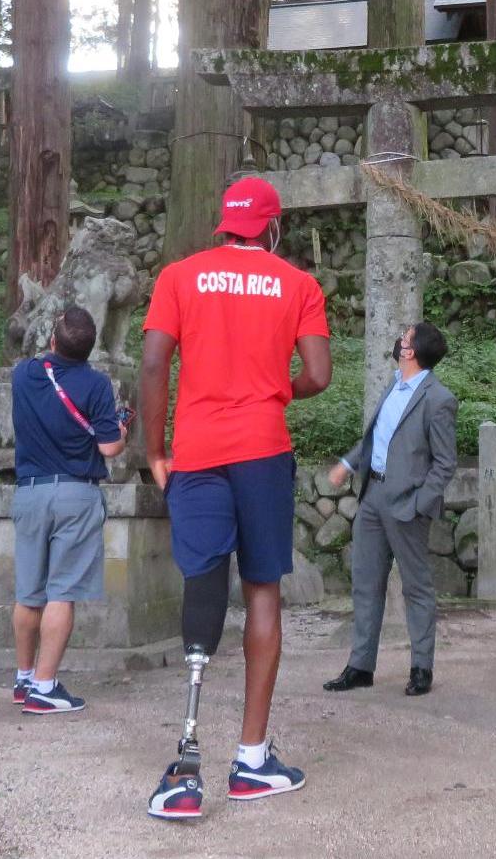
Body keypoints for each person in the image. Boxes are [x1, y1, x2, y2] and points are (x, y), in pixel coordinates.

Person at [138, 175, 332, 821]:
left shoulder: (180, 275)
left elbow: (153, 363)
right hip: (263, 450)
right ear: (272, 226)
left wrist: (155, 450)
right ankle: (251, 757)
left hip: (195, 452)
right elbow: (320, 373)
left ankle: (187, 752)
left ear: (223, 223)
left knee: (202, 580)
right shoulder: (298, 284)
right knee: (262, 592)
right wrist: (283, 389)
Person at [323, 322, 458, 698]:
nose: (399, 337)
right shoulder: (392, 386)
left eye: (406, 335)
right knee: (365, 585)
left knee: (416, 588)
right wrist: (347, 465)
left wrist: (419, 502)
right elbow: (373, 439)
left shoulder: (438, 398)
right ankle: (360, 666)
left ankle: (421, 668)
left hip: (407, 506)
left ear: (411, 351)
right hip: (373, 498)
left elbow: (445, 463)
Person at [9, 305, 125, 715]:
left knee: (29, 593)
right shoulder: (96, 385)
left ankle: (24, 678)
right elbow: (109, 447)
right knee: (61, 592)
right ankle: (45, 685)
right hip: (76, 493)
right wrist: (121, 428)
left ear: (53, 340)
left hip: (29, 492)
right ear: (91, 350)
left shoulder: (23, 375)